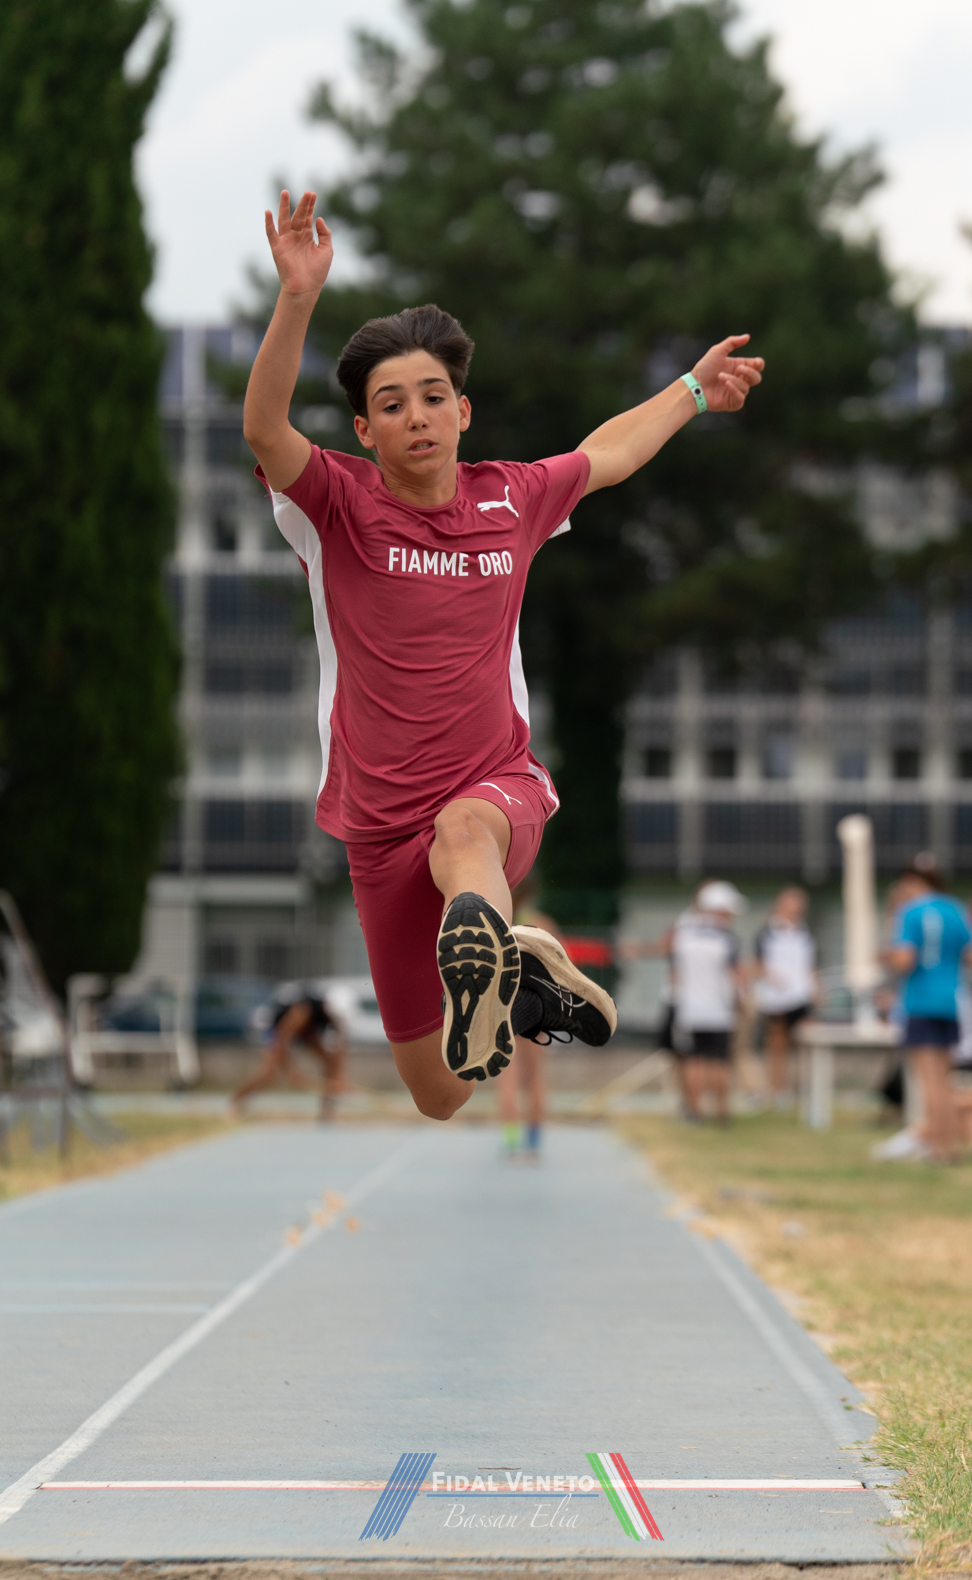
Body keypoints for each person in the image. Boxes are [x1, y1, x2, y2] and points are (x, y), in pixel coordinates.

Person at [242, 190, 764, 1121]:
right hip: (377, 823)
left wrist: (691, 390)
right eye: (390, 405)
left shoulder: (509, 500)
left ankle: (492, 949)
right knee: (438, 1091)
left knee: (462, 831)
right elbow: (264, 430)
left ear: (462, 410)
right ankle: (512, 980)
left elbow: (607, 454)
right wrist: (296, 298)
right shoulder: (336, 505)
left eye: (431, 398)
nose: (415, 417)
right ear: (363, 430)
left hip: (491, 788)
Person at [885, 856, 972, 1162]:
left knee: (929, 1081)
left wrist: (884, 956)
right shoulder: (955, 909)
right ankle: (950, 1144)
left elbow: (904, 959)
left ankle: (937, 1145)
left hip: (920, 1000)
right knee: (945, 1080)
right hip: (951, 999)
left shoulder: (909, 912)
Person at [669, 881, 747, 1124]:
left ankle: (694, 1111)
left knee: (695, 1060)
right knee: (720, 1061)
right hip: (719, 1010)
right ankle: (722, 1112)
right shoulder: (726, 938)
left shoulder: (683, 934)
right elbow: (735, 976)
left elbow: (675, 975)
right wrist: (742, 1001)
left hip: (690, 1009)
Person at [495, 881, 561, 1160]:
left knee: (508, 1078)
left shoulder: (497, 924)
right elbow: (562, 970)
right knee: (535, 1078)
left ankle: (512, 1143)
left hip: (506, 1007)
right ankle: (533, 1143)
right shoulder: (542, 924)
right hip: (536, 1007)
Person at [232, 984, 347, 1119]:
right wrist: (291, 1070)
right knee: (268, 1074)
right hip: (277, 1031)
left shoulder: (334, 1018)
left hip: (305, 1032)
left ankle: (327, 1113)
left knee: (330, 1065)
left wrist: (338, 1077)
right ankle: (235, 1104)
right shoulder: (303, 1011)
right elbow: (283, 1038)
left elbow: (339, 1050)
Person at [752, 887, 818, 1107]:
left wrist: (815, 987)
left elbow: (809, 965)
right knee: (777, 1048)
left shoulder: (805, 933)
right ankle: (777, 1091)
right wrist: (773, 977)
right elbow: (757, 963)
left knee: (805, 1046)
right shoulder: (766, 933)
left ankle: (803, 1089)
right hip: (776, 1000)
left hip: (801, 997)